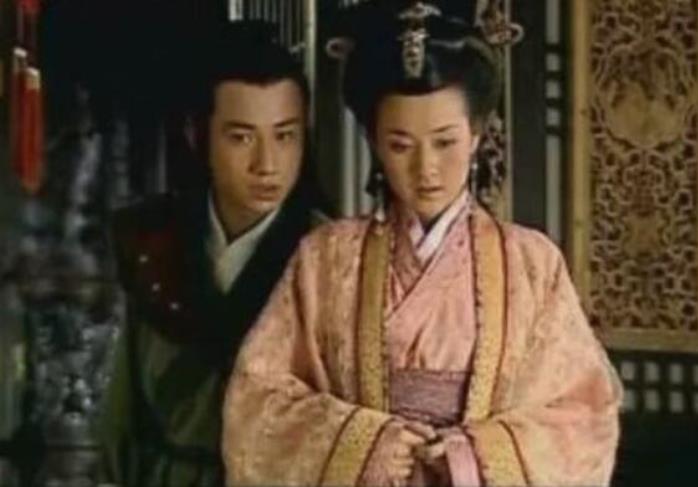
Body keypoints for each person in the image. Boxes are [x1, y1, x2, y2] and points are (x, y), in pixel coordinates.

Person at [222, 1, 622, 486]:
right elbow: (258, 402)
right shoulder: (325, 258)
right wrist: (366, 444)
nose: (425, 167)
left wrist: (474, 456)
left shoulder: (531, 263)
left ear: (477, 134)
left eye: (445, 141)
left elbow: (582, 413)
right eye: (400, 145)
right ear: (373, 142)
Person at [98, 21, 323, 486]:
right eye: (241, 137)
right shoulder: (151, 240)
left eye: (285, 136)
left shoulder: (331, 256)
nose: (267, 165)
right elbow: (120, 417)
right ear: (196, 133)